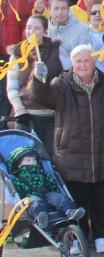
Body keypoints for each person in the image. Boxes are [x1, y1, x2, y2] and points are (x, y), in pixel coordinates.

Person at [30, 45, 104, 253]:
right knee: (76, 202)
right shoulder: (60, 85)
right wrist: (39, 81)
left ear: (93, 62)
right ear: (72, 64)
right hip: (71, 154)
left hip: (103, 152)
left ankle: (102, 235)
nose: (83, 65)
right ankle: (79, 238)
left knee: (102, 199)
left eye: (86, 60)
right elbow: (41, 98)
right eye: (78, 61)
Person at [7, 15, 64, 154]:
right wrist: (20, 110)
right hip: (27, 116)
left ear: (45, 31)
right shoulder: (16, 54)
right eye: (29, 28)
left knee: (52, 159)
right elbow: (12, 88)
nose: (32, 32)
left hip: (52, 117)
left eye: (37, 28)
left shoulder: (57, 50)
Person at [7, 146, 85, 228]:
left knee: (59, 198)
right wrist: (22, 199)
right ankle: (40, 216)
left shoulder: (43, 175)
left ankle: (70, 212)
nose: (32, 162)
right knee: (35, 202)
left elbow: (52, 184)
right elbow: (18, 193)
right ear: (19, 165)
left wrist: (54, 190)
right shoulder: (19, 180)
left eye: (34, 159)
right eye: (28, 160)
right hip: (31, 196)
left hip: (47, 193)